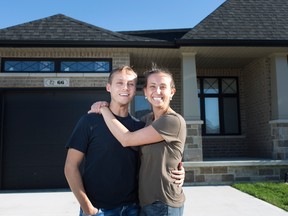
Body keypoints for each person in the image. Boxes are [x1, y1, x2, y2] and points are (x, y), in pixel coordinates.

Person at [64, 66, 185, 216]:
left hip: (133, 208)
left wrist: (179, 169)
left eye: (130, 84)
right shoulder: (89, 122)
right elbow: (70, 167)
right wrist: (88, 209)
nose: (125, 88)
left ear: (136, 90)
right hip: (99, 209)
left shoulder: (139, 125)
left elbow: (161, 154)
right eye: (119, 83)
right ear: (109, 87)